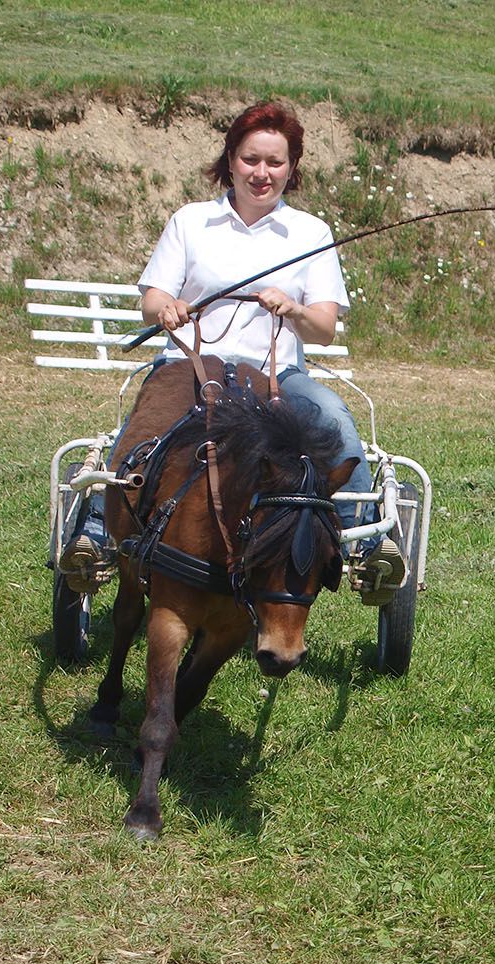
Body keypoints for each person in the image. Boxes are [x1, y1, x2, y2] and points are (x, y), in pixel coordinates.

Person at [62, 100, 401, 603]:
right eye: (250, 159)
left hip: (275, 374)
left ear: (291, 167)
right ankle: (95, 531)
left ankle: (367, 544)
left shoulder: (311, 233)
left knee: (333, 418)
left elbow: (324, 330)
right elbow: (151, 300)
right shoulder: (191, 221)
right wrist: (168, 308)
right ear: (230, 160)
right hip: (189, 367)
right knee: (142, 432)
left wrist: (293, 308)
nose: (262, 173)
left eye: (275, 162)